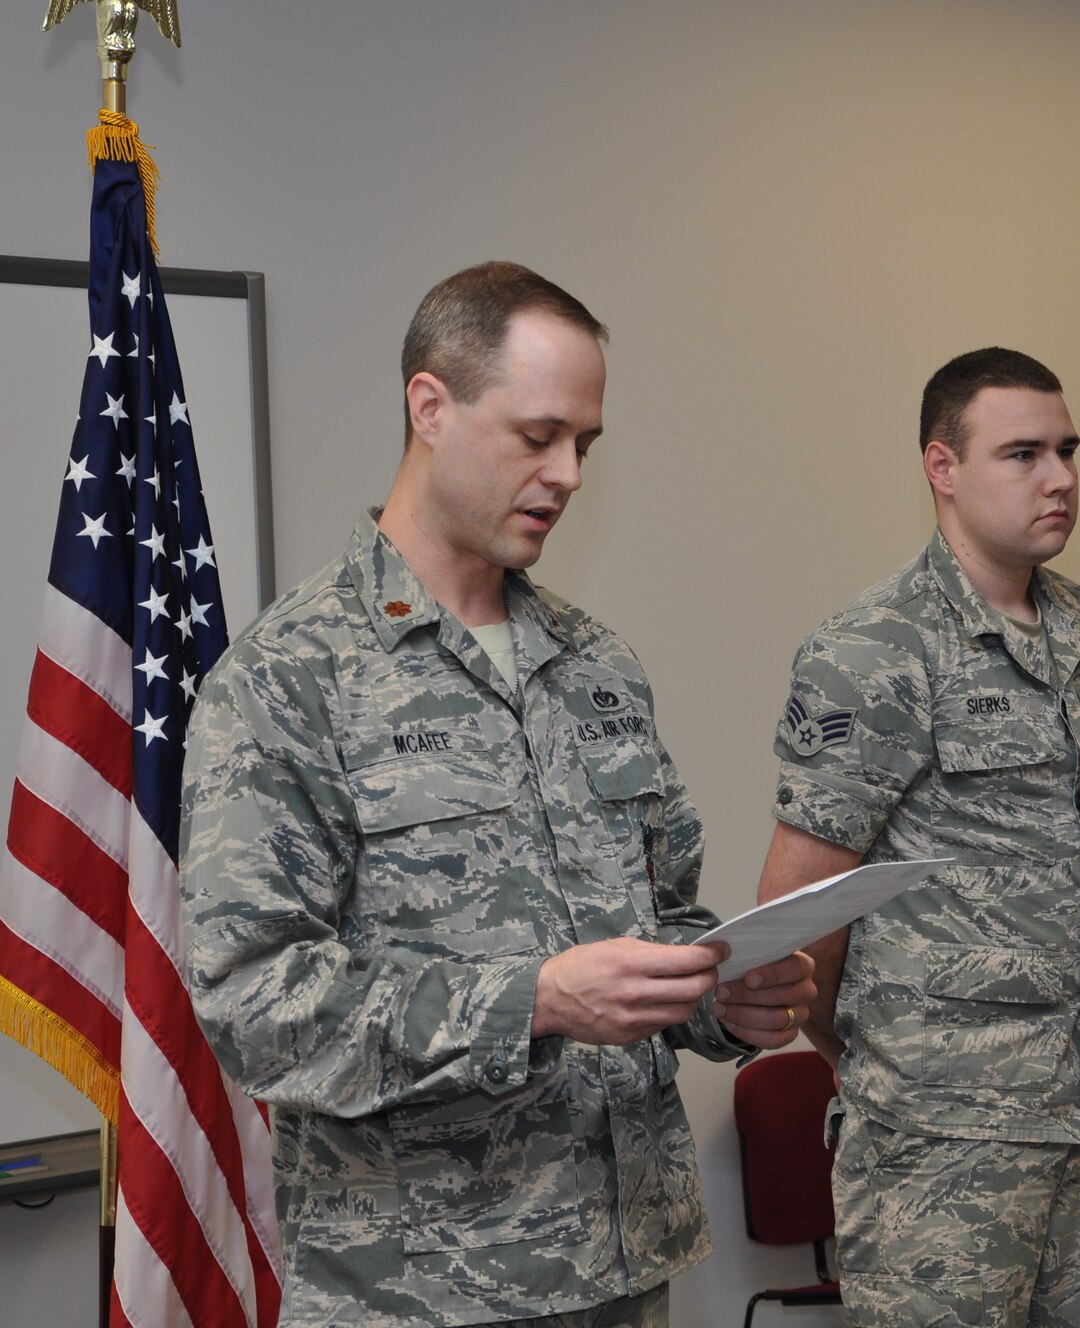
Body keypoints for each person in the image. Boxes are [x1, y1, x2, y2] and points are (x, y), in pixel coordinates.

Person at [180, 261, 815, 1328]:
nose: (567, 473)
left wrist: (724, 997)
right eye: (538, 435)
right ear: (430, 407)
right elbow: (255, 1007)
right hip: (424, 1287)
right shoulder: (288, 678)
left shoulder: (594, 662)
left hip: (624, 1259)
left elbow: (659, 925)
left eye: (586, 444)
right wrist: (531, 1000)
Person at [754, 347, 1080, 1327]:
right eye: (1021, 453)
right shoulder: (874, 647)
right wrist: (881, 1059)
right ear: (942, 466)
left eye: (1065, 450)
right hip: (939, 1142)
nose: (1057, 477)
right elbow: (795, 920)